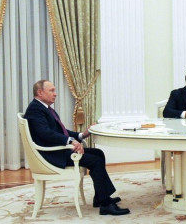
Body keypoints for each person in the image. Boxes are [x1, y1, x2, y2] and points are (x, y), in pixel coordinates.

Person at [23, 80, 130, 215]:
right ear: (39, 92)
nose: (55, 94)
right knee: (95, 160)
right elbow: (45, 133)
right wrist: (70, 141)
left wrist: (81, 135)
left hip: (58, 150)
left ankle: (100, 197)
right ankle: (105, 205)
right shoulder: (35, 109)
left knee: (98, 153)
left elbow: (59, 131)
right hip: (52, 154)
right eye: (51, 90)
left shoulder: (44, 108)